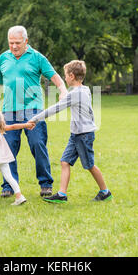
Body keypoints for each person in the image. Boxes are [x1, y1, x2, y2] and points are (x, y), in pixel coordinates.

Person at [0, 26, 68, 197]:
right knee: (7, 149)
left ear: (26, 41)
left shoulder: (37, 57)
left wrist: (63, 90)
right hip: (8, 111)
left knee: (38, 144)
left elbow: (54, 76)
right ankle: (8, 186)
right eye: (11, 43)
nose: (14, 46)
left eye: (17, 43)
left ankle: (45, 183)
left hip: (33, 109)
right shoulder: (3, 58)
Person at [28, 60, 112, 203]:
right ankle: (62, 194)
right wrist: (64, 97)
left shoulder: (76, 94)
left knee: (89, 165)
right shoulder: (84, 90)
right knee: (65, 161)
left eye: (65, 75)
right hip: (76, 134)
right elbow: (67, 101)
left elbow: (55, 108)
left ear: (71, 76)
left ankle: (105, 192)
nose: (64, 78)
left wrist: (35, 119)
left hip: (83, 135)